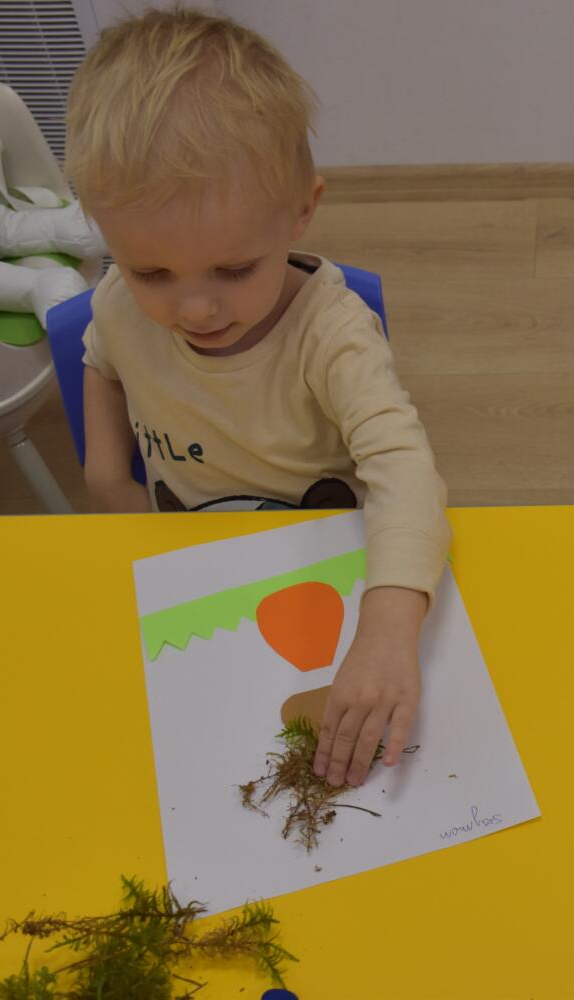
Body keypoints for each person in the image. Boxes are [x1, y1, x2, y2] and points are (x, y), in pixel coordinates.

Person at [68, 9, 450, 786]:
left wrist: (386, 629)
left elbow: (406, 470)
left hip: (328, 570)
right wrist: (106, 474)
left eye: (235, 269)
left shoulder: (332, 335)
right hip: (194, 575)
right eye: (151, 273)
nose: (194, 309)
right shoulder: (118, 305)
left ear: (302, 209)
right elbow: (101, 358)